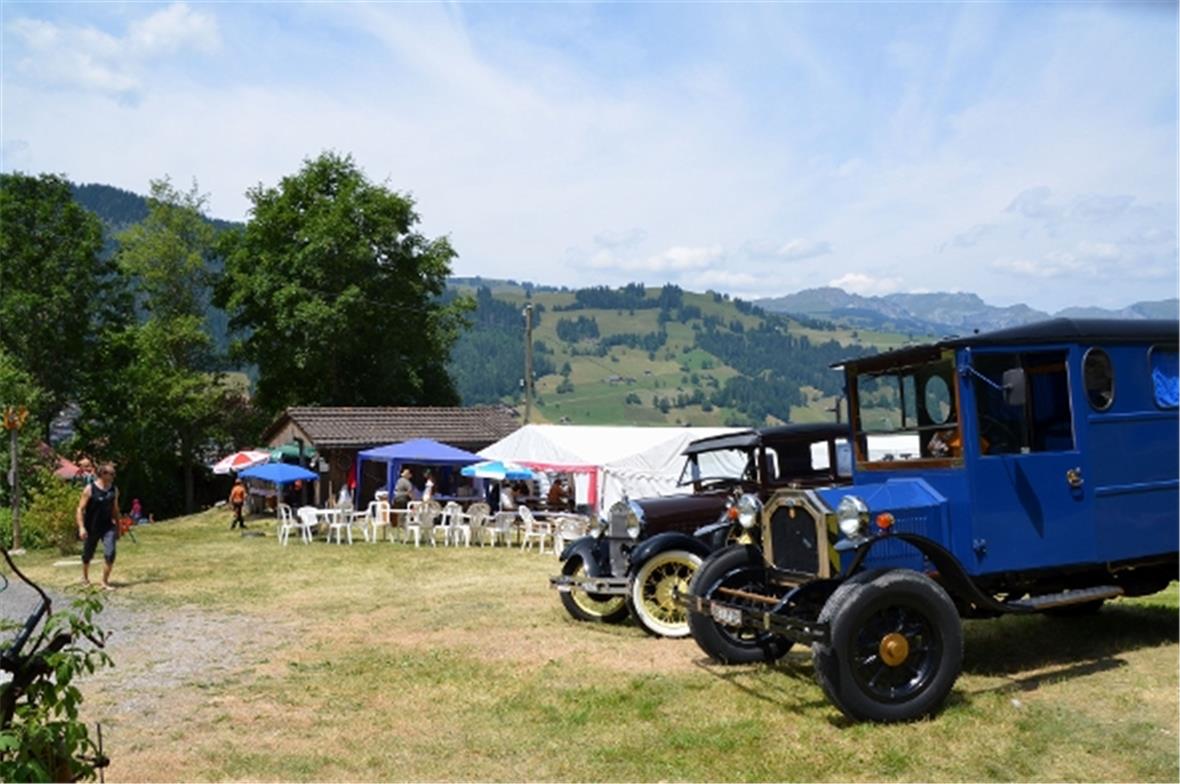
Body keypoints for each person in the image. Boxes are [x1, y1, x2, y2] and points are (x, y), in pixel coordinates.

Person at [76, 462, 120, 590]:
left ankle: (104, 582)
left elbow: (115, 510)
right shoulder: (90, 489)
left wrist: (118, 526)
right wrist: (81, 527)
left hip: (107, 527)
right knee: (87, 555)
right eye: (111, 473)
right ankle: (85, 577)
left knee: (110, 553)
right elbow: (80, 509)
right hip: (91, 526)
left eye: (113, 473)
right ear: (102, 474)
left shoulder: (114, 490)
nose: (113, 476)